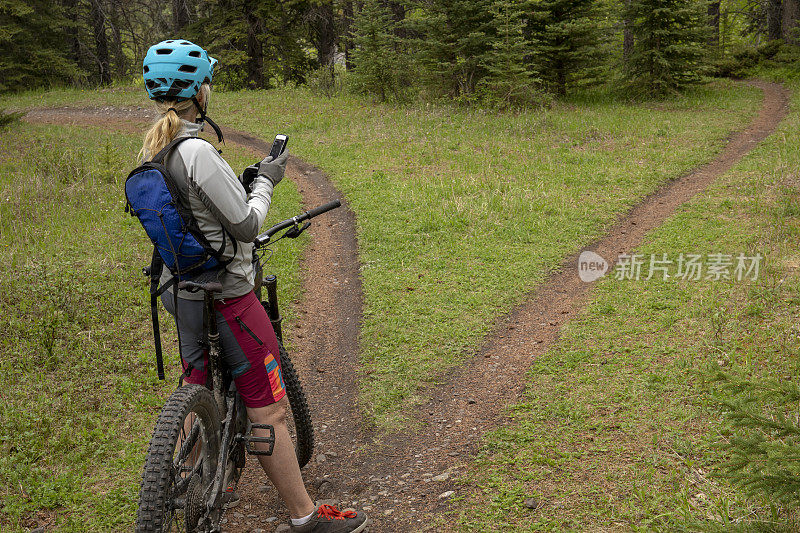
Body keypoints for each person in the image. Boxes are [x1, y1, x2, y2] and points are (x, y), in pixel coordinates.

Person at [139, 39, 369, 533]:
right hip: (229, 293)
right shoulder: (198, 151)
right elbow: (244, 224)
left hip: (180, 291)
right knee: (269, 405)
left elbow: (192, 216)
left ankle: (188, 478)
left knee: (196, 380)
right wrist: (266, 180)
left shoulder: (154, 147)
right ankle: (304, 518)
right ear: (200, 91)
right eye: (208, 82)